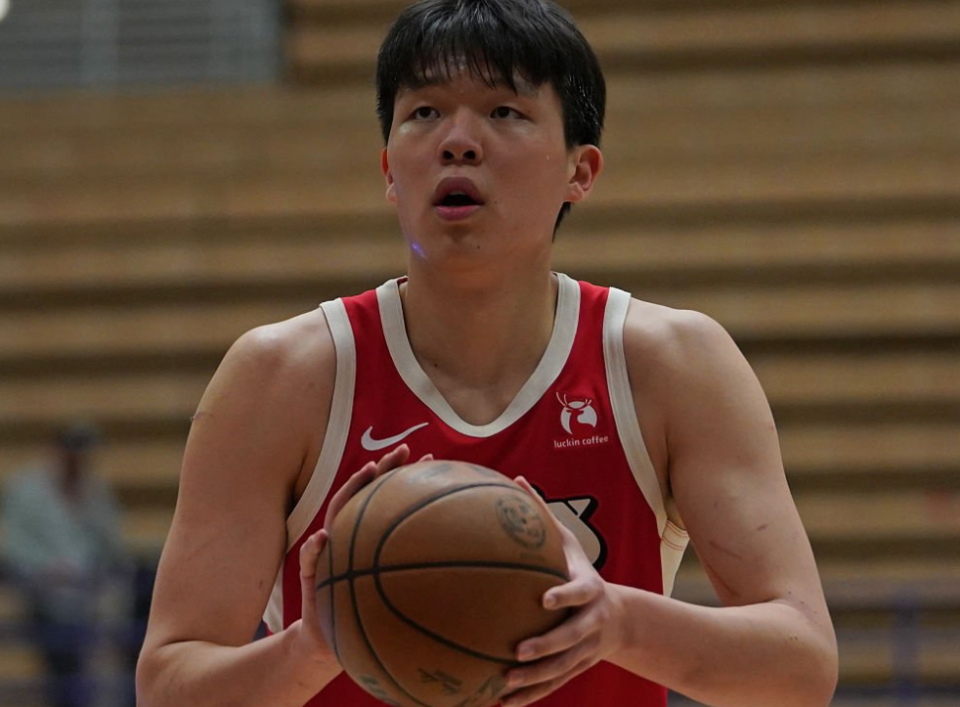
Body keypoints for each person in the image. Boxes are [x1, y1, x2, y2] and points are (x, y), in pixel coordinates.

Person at [136, 1, 839, 705]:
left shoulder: (670, 365)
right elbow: (167, 686)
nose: (458, 142)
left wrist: (620, 621)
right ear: (389, 170)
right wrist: (313, 646)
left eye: (504, 112)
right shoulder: (281, 377)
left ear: (581, 171)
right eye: (424, 113)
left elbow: (803, 666)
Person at [2, 422, 127, 707]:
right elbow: (17, 544)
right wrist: (45, 569)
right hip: (43, 594)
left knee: (87, 667)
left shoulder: (95, 490)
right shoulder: (27, 490)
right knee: (59, 667)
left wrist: (99, 571)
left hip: (88, 595)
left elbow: (110, 540)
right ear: (58, 451)